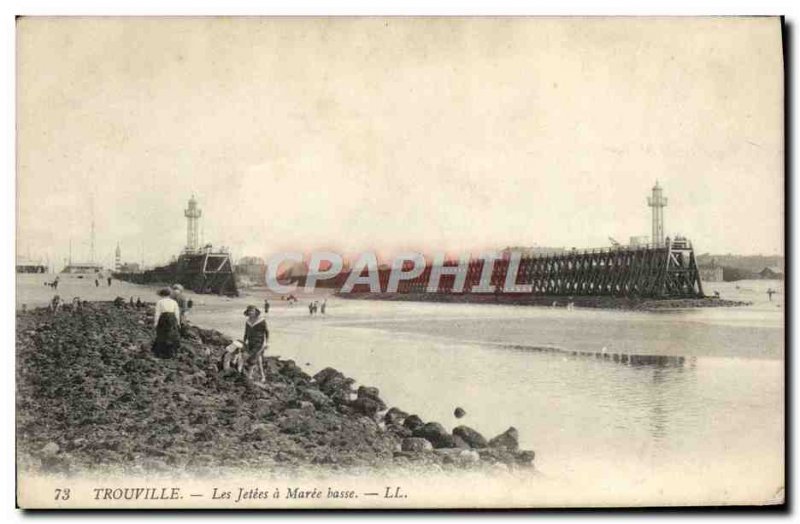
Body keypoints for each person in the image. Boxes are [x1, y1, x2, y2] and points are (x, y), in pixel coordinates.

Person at [152, 288, 181, 358]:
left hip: (163, 318)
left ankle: (161, 351)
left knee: (162, 334)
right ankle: (172, 351)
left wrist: (155, 323)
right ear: (169, 294)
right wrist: (178, 322)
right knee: (172, 334)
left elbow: (157, 313)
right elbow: (177, 313)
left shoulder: (160, 302)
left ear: (162, 294)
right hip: (172, 318)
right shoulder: (174, 302)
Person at [242, 305, 268, 381]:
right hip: (251, 342)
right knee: (258, 358)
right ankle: (263, 376)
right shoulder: (247, 322)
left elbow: (266, 332)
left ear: (256, 312)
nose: (251, 312)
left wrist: (267, 343)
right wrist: (244, 342)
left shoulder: (261, 320)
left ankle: (249, 375)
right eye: (249, 311)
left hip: (259, 342)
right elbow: (246, 333)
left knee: (253, 358)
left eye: (252, 311)